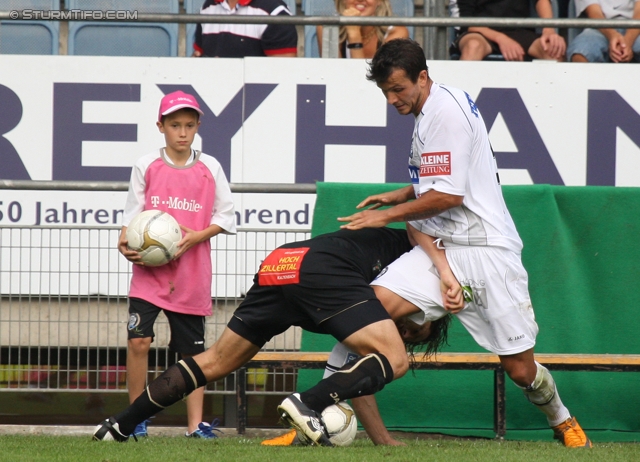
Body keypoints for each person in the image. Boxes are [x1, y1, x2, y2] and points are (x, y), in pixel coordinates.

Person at [337, 38, 592, 448]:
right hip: (443, 244)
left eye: (398, 89)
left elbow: (450, 195)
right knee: (363, 312)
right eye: (385, 91)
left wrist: (383, 215)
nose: (391, 99)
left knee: (522, 371)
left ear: (423, 77)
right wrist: (403, 194)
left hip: (488, 248)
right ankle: (316, 412)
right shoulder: (434, 107)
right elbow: (447, 179)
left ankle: (561, 419)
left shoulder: (446, 114)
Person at [93, 226, 463, 446]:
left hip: (283, 261)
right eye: (414, 326)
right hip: (321, 268)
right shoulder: (415, 265)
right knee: (394, 359)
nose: (403, 330)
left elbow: (356, 372)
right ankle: (307, 403)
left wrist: (383, 441)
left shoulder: (371, 295)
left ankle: (118, 426)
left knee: (217, 361)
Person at [118, 90, 236, 439]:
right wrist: (123, 240)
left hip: (190, 276)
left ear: (198, 125)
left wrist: (198, 236)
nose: (182, 133)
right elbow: (130, 216)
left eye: (188, 125)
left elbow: (226, 216)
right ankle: (134, 419)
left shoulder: (210, 167)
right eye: (174, 125)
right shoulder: (145, 165)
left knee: (191, 353)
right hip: (149, 276)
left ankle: (194, 425)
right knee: (139, 342)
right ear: (161, 126)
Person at [450, 0, 566, 61]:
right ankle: (460, 104)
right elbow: (465, 21)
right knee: (473, 45)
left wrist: (549, 30)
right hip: (479, 31)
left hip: (519, 30)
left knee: (553, 50)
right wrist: (501, 39)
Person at [192, 0, 298, 57]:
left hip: (255, 95)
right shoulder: (207, 7)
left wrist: (225, 69)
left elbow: (283, 75)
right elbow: (198, 54)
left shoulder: (275, 12)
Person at [317, 0, 409, 58]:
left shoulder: (396, 32)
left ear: (380, 1)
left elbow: (365, 83)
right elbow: (334, 77)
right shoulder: (327, 28)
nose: (360, 0)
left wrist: (354, 35)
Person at [566, 0, 640, 63]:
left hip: (636, 27)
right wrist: (613, 36)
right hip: (599, 27)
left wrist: (627, 41)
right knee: (580, 51)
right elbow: (594, 13)